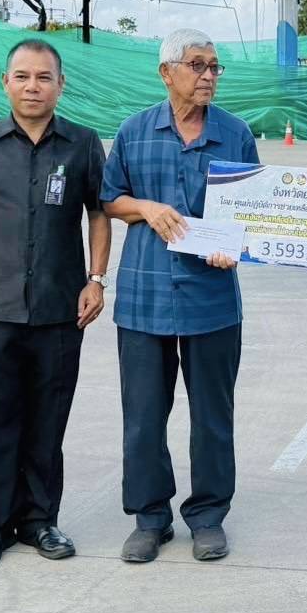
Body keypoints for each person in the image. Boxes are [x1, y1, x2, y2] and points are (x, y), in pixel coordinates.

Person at [0, 39, 110, 569]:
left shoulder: (81, 144)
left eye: (44, 77)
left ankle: (41, 521)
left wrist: (96, 278)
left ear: (61, 85)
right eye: (23, 77)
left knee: (49, 420)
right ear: (5, 83)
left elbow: (99, 212)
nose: (34, 87)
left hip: (61, 309)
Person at [101, 28, 259, 564]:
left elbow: (253, 210)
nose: (209, 76)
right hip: (143, 297)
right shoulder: (134, 132)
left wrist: (234, 245)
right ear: (166, 72)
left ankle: (208, 516)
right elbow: (110, 199)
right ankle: (150, 518)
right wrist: (145, 208)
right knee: (144, 416)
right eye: (197, 65)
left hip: (212, 299)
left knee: (212, 415)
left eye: (215, 66)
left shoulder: (235, 134)